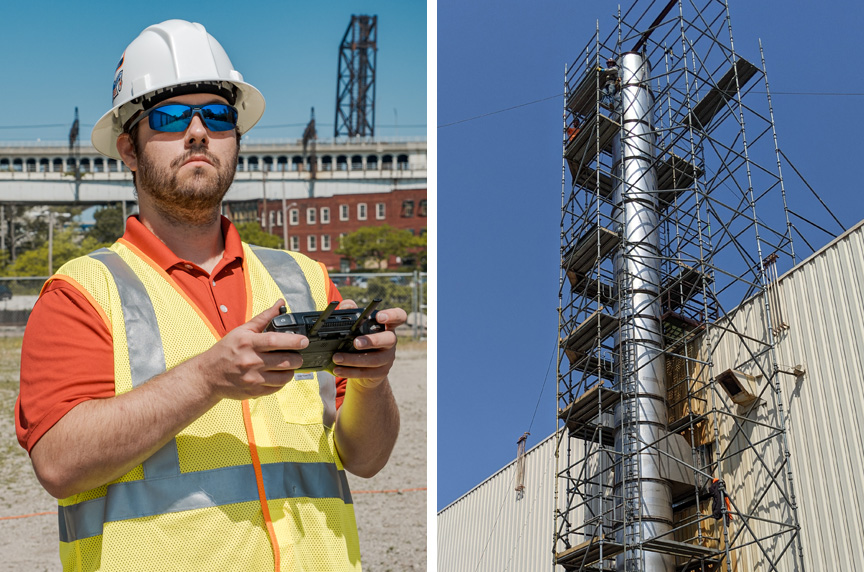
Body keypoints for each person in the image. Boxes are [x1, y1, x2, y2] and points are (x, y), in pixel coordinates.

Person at [15, 19, 405, 572]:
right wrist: (205, 379)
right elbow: (58, 462)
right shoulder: (81, 293)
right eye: (171, 117)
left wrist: (373, 383)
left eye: (217, 116)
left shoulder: (306, 279)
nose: (198, 131)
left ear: (236, 140)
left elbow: (367, 458)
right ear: (129, 148)